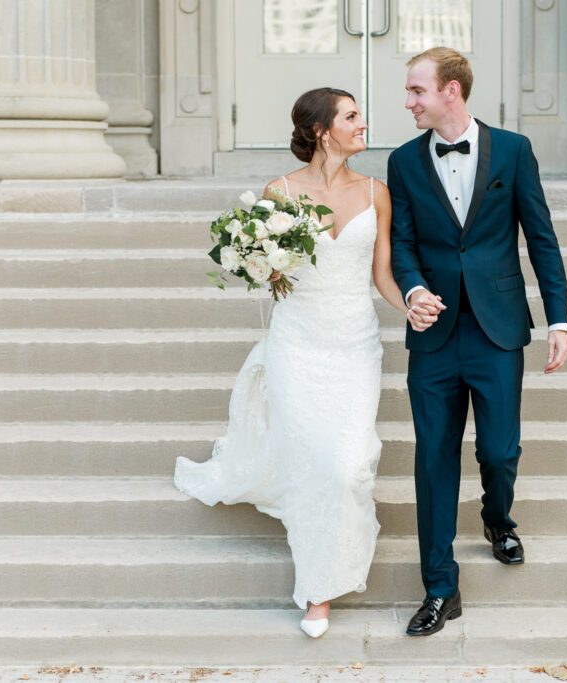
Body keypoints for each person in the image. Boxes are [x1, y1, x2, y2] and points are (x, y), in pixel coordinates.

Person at [174, 87, 407, 639]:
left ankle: (331, 568)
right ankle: (316, 590)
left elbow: (382, 275)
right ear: (324, 130)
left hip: (353, 345)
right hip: (297, 344)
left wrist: (412, 304)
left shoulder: (378, 193)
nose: (363, 124)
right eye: (352, 117)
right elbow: (270, 275)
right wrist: (261, 263)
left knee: (345, 464)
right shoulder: (279, 191)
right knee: (312, 464)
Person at [387, 47, 567, 637]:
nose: (408, 101)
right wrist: (412, 289)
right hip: (433, 334)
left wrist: (559, 319)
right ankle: (440, 587)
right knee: (433, 459)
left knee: (498, 450)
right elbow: (403, 243)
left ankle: (498, 519)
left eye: (417, 90)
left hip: (497, 328)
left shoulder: (513, 151)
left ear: (452, 92)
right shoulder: (402, 161)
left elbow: (541, 237)